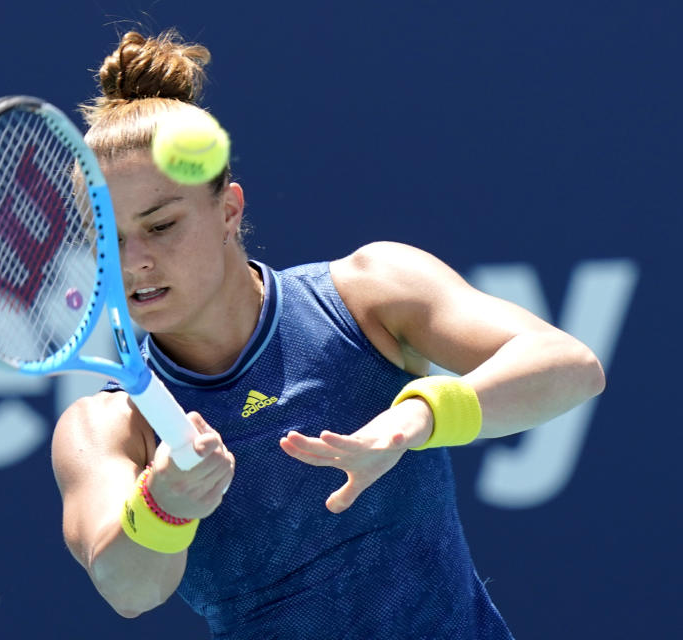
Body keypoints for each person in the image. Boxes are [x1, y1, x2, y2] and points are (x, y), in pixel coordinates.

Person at [51, 29, 605, 640]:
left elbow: (569, 364)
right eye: (109, 239)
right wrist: (166, 503)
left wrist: (415, 419)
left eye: (161, 226)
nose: (134, 263)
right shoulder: (104, 428)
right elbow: (128, 590)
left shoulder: (370, 293)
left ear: (229, 210)